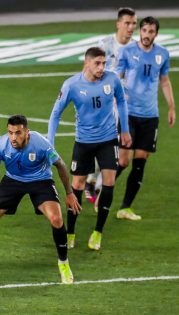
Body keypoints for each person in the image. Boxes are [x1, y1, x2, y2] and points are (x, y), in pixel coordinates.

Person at [0, 115, 80, 284]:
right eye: (10, 133)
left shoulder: (41, 143)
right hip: (13, 181)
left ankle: (64, 264)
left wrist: (69, 193)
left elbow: (60, 164)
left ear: (27, 132)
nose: (13, 138)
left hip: (40, 180)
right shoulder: (1, 145)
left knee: (56, 218)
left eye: (18, 133)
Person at [48, 46, 132, 251]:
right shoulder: (72, 85)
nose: (102, 67)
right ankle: (71, 232)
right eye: (97, 63)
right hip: (84, 142)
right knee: (77, 184)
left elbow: (121, 101)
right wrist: (50, 142)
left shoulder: (112, 80)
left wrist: (125, 130)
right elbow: (55, 113)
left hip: (108, 139)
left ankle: (98, 232)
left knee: (109, 182)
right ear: (87, 63)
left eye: (104, 63)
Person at [114, 16, 175, 220]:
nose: (147, 35)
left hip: (150, 116)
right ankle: (99, 188)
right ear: (140, 31)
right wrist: (117, 96)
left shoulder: (162, 54)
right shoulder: (128, 51)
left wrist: (171, 107)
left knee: (140, 161)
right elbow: (117, 76)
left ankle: (125, 207)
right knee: (123, 161)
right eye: (145, 31)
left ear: (156, 34)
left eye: (151, 32)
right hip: (129, 113)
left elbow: (164, 81)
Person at [85, 7, 138, 204]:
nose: (131, 27)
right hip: (104, 105)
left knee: (122, 157)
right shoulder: (105, 44)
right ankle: (93, 180)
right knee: (103, 144)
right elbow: (92, 71)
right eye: (127, 23)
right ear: (118, 24)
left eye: (134, 23)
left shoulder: (136, 48)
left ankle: (97, 181)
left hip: (127, 107)